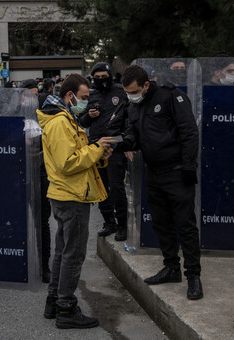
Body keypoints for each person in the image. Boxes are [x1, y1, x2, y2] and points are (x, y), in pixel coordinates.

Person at [38, 73, 115, 329]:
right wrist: (96, 149)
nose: (86, 103)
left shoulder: (63, 117)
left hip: (66, 193)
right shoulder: (60, 121)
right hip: (71, 195)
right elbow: (68, 162)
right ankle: (66, 308)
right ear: (69, 95)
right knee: (73, 254)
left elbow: (74, 154)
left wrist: (98, 153)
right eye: (83, 98)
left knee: (63, 251)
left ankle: (55, 301)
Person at [119, 65, 203, 300]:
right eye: (127, 92)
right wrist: (127, 142)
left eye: (133, 91)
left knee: (185, 225)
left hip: (176, 172)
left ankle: (193, 276)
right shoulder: (135, 104)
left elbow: (189, 132)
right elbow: (133, 131)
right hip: (153, 173)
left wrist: (188, 167)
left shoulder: (170, 96)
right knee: (161, 223)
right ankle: (171, 267)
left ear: (146, 85)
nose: (130, 95)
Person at [79, 62, 129, 241]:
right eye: (97, 77)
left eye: (103, 76)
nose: (100, 80)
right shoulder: (92, 94)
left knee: (117, 187)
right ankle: (109, 222)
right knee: (101, 188)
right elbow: (82, 121)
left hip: (115, 145)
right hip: (96, 148)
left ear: (109, 75)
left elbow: (128, 120)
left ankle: (122, 224)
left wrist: (126, 144)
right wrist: (89, 115)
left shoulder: (120, 92)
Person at [20, 78, 51, 283]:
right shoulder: (10, 115)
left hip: (40, 172)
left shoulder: (44, 116)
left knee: (42, 222)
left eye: (35, 93)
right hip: (17, 174)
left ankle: (44, 266)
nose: (33, 97)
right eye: (28, 94)